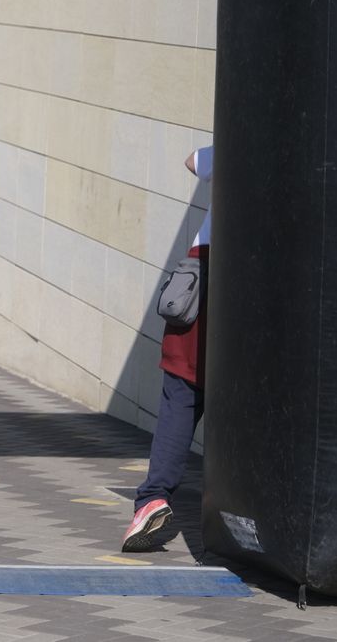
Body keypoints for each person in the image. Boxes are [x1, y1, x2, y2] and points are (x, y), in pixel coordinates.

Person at [124, 145, 212, 552]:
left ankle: (153, 498)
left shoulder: (243, 136)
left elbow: (193, 160)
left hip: (206, 276)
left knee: (181, 393)